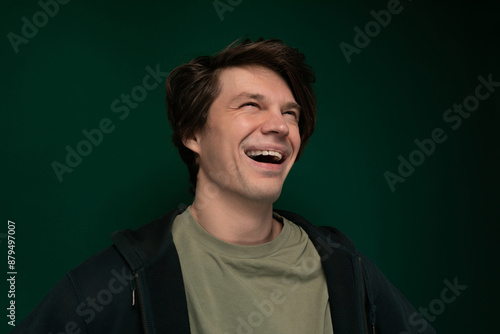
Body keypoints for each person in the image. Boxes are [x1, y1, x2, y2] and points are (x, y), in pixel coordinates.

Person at [12, 38, 435, 334]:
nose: (280, 125)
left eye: (291, 113)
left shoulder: (346, 268)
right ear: (192, 134)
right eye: (251, 105)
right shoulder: (116, 281)